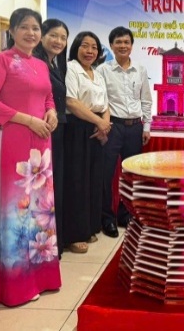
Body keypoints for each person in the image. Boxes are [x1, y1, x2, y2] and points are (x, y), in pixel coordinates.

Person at [0, 8, 61, 306]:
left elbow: (47, 96)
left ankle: (42, 277)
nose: (31, 33)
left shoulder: (40, 64)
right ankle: (16, 284)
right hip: (13, 141)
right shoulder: (1, 61)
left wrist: (51, 112)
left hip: (42, 143)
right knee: (17, 210)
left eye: (35, 28)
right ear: (12, 31)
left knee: (41, 209)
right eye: (24, 27)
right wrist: (27, 120)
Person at [96, 26, 152, 238]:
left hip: (135, 127)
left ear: (131, 46)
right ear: (111, 45)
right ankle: (106, 218)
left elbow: (146, 100)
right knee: (106, 174)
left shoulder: (140, 69)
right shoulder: (102, 70)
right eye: (118, 42)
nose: (122, 46)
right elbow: (99, 101)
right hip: (112, 127)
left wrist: (146, 126)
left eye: (126, 42)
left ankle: (125, 213)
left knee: (131, 174)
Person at [63, 31, 112, 253]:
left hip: (96, 128)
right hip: (76, 128)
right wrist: (99, 122)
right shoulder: (71, 68)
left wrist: (105, 124)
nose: (90, 51)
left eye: (94, 47)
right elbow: (71, 102)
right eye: (85, 45)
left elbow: (105, 104)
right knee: (77, 181)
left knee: (93, 180)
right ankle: (74, 234)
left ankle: (89, 227)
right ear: (76, 47)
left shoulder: (97, 73)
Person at [33, 19, 69, 257]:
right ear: (42, 36)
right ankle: (44, 245)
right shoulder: (35, 63)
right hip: (41, 131)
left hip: (57, 130)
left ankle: (54, 242)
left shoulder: (54, 64)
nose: (58, 41)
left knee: (54, 188)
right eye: (53, 35)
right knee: (44, 191)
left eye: (63, 38)